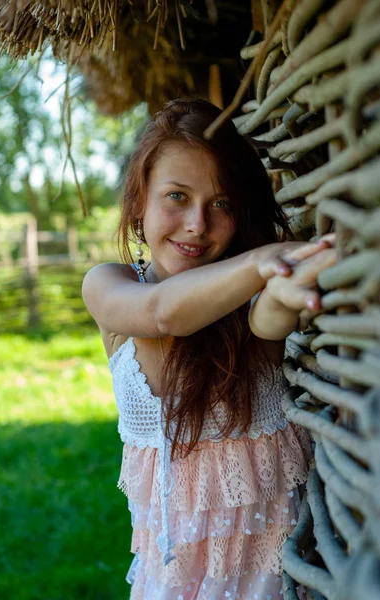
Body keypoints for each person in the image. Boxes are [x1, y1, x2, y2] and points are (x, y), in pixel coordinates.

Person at [82, 98, 336, 600]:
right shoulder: (108, 286)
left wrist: (281, 289)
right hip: (173, 583)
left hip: (273, 576)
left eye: (221, 204)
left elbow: (269, 322)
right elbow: (162, 312)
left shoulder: (248, 296)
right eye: (177, 196)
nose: (197, 223)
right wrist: (264, 263)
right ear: (139, 202)